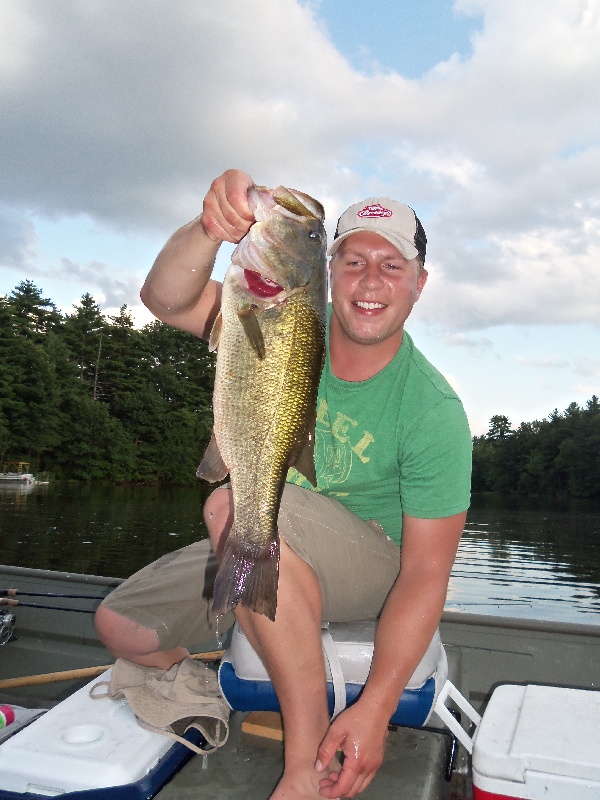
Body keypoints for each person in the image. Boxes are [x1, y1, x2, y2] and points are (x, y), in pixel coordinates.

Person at [95, 169, 472, 799]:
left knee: (234, 504)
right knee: (123, 629)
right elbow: (166, 299)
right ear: (326, 272)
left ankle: (304, 760)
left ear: (419, 284)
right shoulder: (273, 316)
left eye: (391, 265)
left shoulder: (432, 410)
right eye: (353, 261)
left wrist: (375, 708)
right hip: (282, 527)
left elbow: (427, 573)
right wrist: (210, 229)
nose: (370, 281)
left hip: (369, 568)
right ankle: (251, 657)